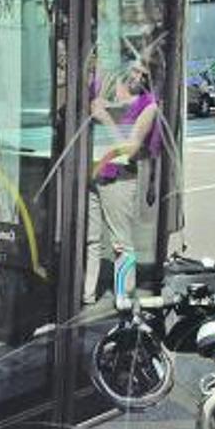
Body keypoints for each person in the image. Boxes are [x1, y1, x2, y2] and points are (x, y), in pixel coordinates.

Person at [83, 64, 159, 305]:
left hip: (119, 176)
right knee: (91, 239)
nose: (136, 76)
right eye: (133, 69)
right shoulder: (107, 88)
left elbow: (130, 149)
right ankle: (86, 294)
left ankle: (123, 297)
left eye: (143, 72)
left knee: (121, 243)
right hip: (93, 171)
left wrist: (105, 118)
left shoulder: (148, 105)